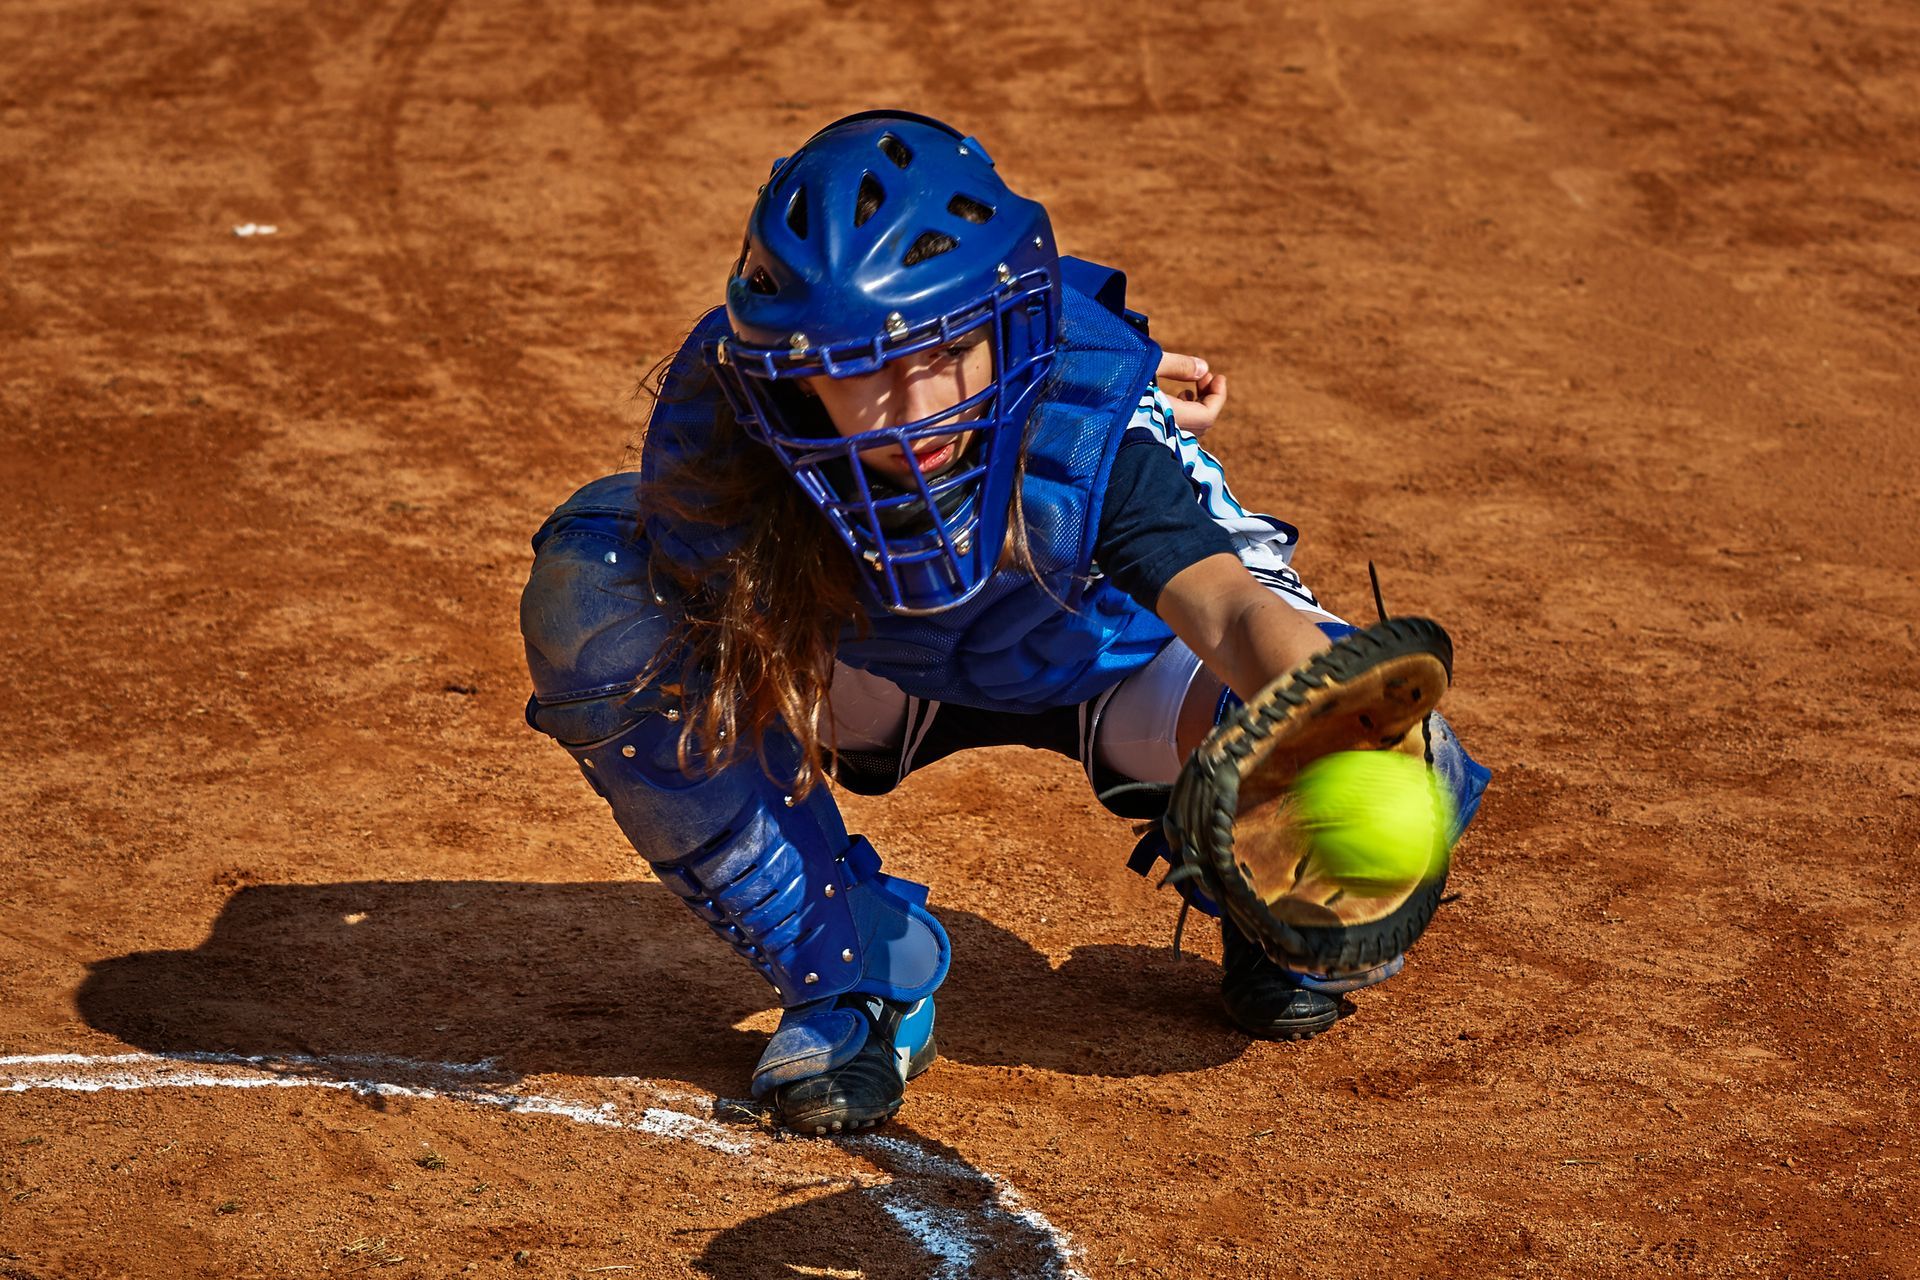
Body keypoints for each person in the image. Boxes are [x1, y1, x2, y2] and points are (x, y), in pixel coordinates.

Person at [519, 110, 1489, 1136]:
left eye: (940, 348)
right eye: (854, 366)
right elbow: (686, 639)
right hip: (871, 671)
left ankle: (1257, 903)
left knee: (1369, 730)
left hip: (1114, 668)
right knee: (596, 590)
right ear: (786, 364)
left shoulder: (1084, 415)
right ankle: (855, 968)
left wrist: (1334, 722)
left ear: (1007, 318)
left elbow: (1235, 607)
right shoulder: (732, 428)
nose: (904, 403)